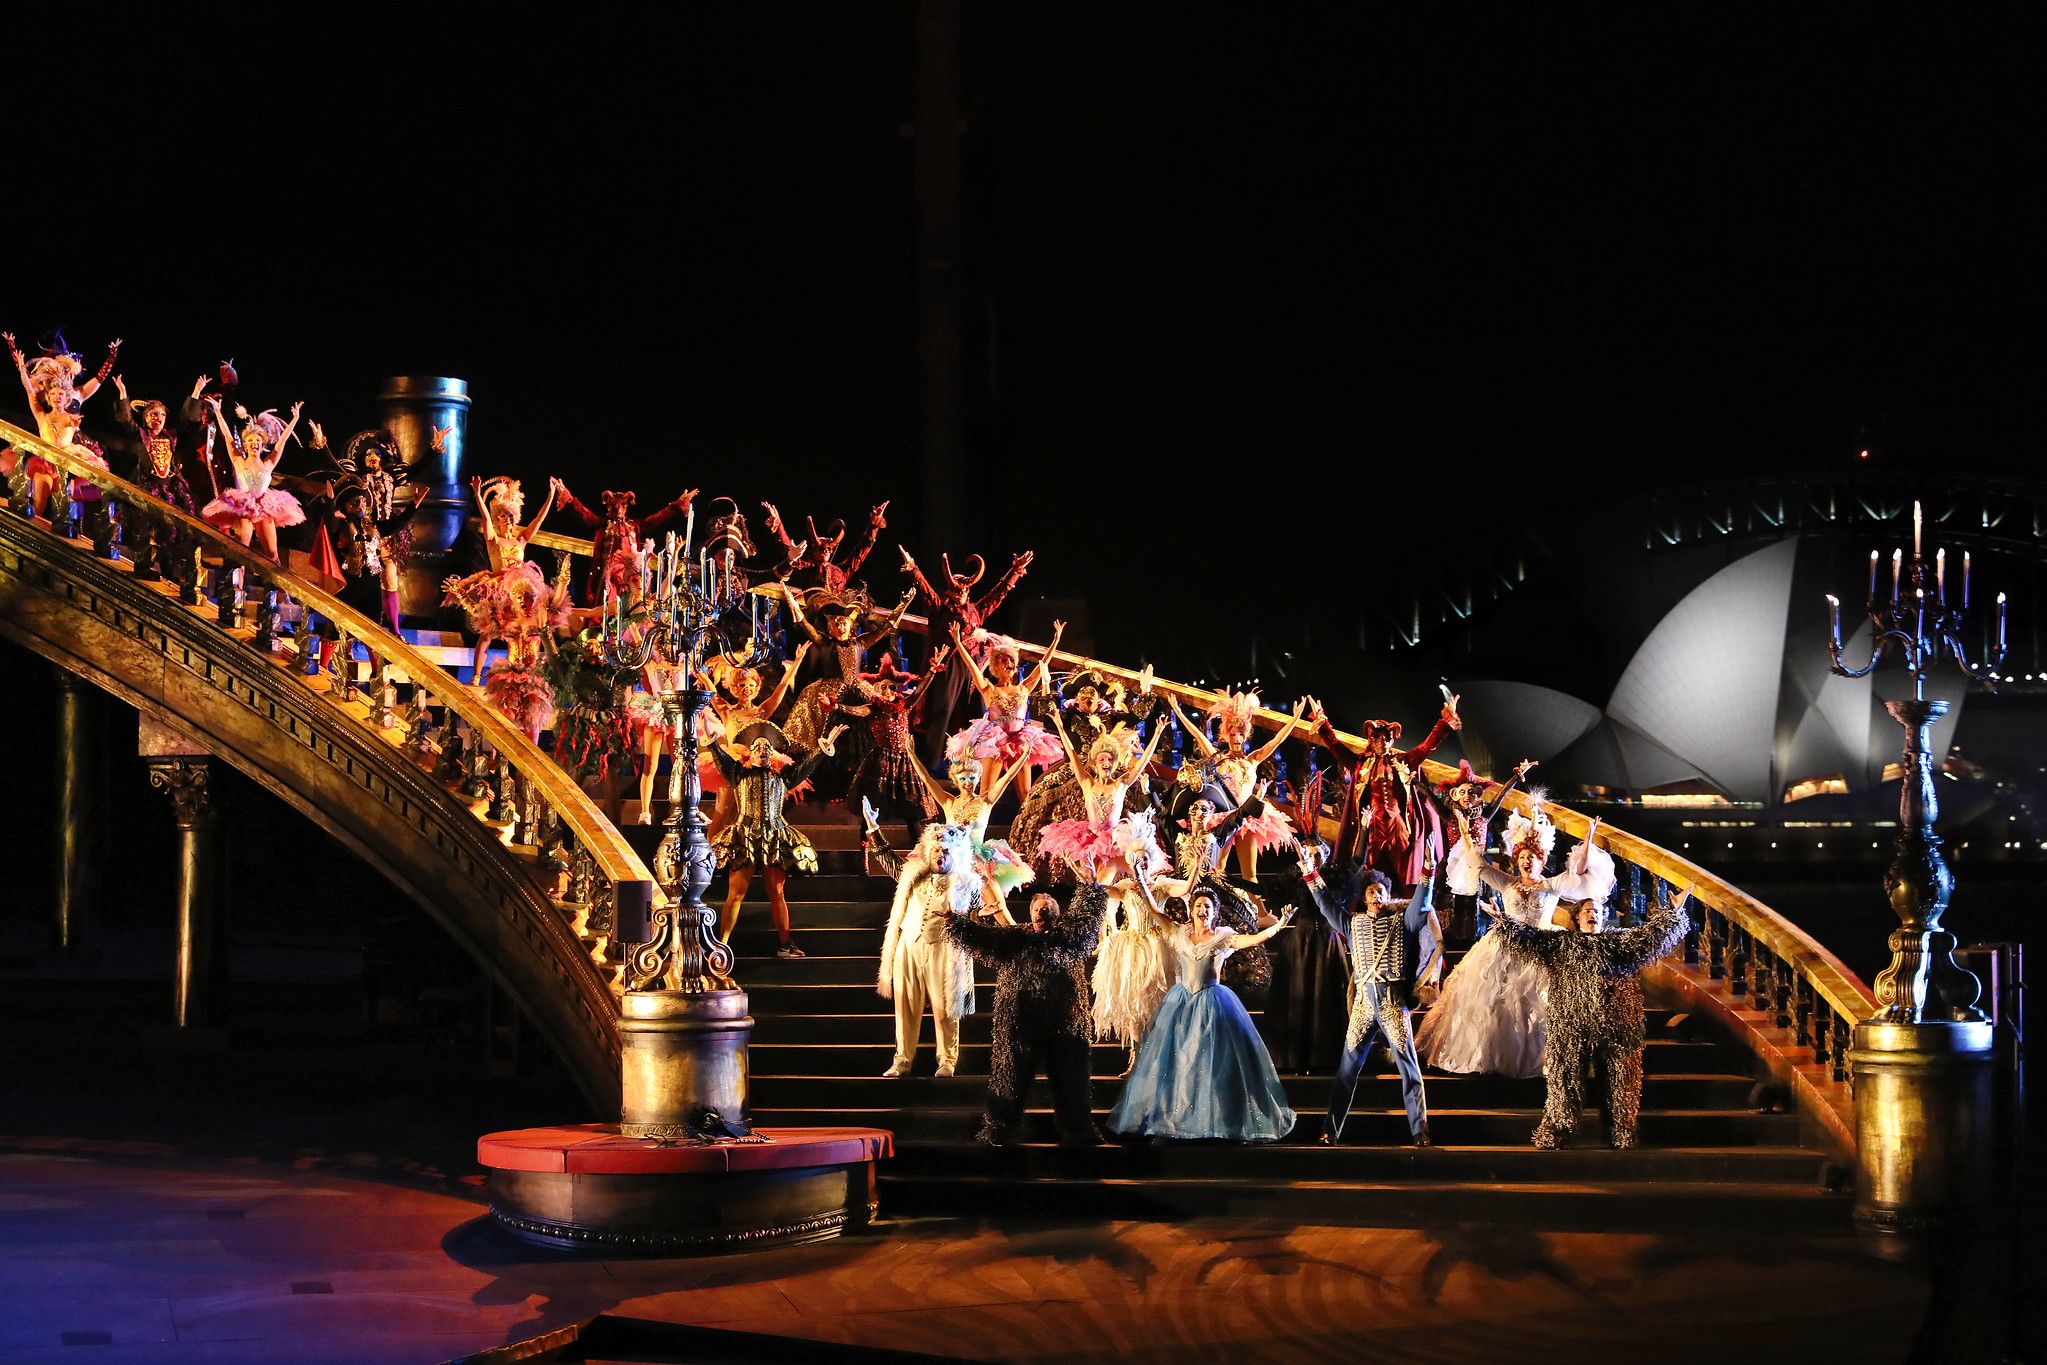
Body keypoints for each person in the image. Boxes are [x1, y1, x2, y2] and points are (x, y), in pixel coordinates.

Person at [1417, 801, 1616, 1078]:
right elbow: (1478, 865)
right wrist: (1465, 836)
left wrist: (1589, 838)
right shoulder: (1507, 883)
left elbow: (1578, 872)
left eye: (1531, 857)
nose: (1526, 861)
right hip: (1505, 947)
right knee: (1496, 1003)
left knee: (1537, 1006)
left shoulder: (1552, 884)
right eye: (1522, 856)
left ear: (1541, 860)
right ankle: (1494, 1057)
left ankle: (1540, 1059)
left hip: (1542, 947)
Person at [1491, 884, 1692, 1149]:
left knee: (1620, 1083)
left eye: (1597, 910)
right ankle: (1559, 1130)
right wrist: (1504, 922)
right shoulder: (1562, 944)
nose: (1592, 914)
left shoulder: (1618, 943)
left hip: (1616, 1028)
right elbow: (1531, 939)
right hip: (1571, 1026)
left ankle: (1621, 1132)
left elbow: (1649, 937)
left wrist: (1673, 911)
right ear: (1577, 917)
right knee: (1565, 1080)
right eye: (1587, 910)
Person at [1106, 883, 1297, 1143]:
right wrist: (1140, 877)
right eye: (1198, 906)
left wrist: (1279, 925)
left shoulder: (1223, 937)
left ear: (1214, 912)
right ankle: (1171, 1122)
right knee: (1178, 1062)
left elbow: (1253, 939)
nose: (1202, 910)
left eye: (1207, 906)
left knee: (1211, 1064)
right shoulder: (1180, 933)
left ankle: (1220, 1121)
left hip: (1212, 1004)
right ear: (1191, 910)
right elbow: (1154, 910)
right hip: (1182, 1003)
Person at [1299, 846, 1443, 1147]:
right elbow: (1326, 905)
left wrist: (1428, 870)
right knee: (1346, 1069)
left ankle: (1420, 1132)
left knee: (1409, 1067)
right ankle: (1330, 1131)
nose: (1376, 896)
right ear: (1364, 897)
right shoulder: (1352, 923)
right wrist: (1310, 873)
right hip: (1364, 1004)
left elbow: (1421, 904)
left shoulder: (1402, 922)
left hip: (1392, 1002)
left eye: (1381, 892)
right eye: (1371, 892)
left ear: (1388, 896)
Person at [944, 887, 1103, 1145]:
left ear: (1057, 914)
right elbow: (983, 938)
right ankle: (999, 1128)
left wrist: (1091, 890)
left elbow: (1087, 923)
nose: (1042, 913)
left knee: (1071, 1080)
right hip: (1020, 1021)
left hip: (1064, 1023)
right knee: (1009, 1078)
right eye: (1037, 909)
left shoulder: (1067, 939)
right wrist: (956, 922)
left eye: (1047, 909)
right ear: (1030, 914)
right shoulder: (1016, 938)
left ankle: (1078, 1128)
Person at [711, 720, 846, 958]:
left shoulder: (784, 777)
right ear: (751, 752)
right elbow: (721, 759)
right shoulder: (739, 773)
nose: (762, 750)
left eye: (766, 747)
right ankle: (721, 946)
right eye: (758, 747)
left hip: (774, 836)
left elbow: (807, 767)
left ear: (772, 753)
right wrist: (713, 743)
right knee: (736, 893)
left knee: (777, 892)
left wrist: (823, 748)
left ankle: (786, 944)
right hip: (745, 836)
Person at [1308, 690, 1460, 891]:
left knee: (1404, 865)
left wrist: (1444, 724)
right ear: (1371, 740)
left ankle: (1408, 903)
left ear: (1393, 739)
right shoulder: (1361, 764)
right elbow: (1336, 748)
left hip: (1398, 823)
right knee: (1369, 866)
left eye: (1387, 737)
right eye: (1377, 738)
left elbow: (1425, 748)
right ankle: (1369, 902)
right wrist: (1322, 724)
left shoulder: (1403, 761)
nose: (1383, 742)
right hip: (1373, 823)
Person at [878, 823, 990, 1078]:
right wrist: (874, 830)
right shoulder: (913, 875)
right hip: (910, 944)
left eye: (946, 851)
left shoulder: (967, 883)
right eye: (936, 850)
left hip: (943, 948)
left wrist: (977, 917)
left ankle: (947, 1060)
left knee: (945, 1007)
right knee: (905, 1005)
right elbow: (889, 860)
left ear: (955, 854)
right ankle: (902, 1060)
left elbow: (977, 916)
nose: (940, 855)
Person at [901, 545, 1034, 750]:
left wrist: (1014, 571)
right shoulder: (941, 609)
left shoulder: (975, 611)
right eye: (958, 589)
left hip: (971, 665)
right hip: (948, 665)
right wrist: (913, 568)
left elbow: (997, 595)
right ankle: (932, 759)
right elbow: (926, 589)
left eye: (965, 589)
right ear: (950, 591)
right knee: (943, 712)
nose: (962, 592)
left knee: (973, 713)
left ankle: (971, 757)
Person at [1164, 690, 1303, 882]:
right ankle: (1213, 896)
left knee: (1250, 873)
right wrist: (1179, 713)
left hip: (1248, 817)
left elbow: (1276, 740)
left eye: (1240, 734)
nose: (1237, 738)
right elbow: (1197, 735)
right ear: (1227, 736)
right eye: (1233, 734)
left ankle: (1256, 903)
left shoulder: (1253, 759)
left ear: (1245, 736)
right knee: (1217, 867)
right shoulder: (1219, 759)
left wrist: (1295, 719)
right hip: (1225, 816)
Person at [946, 623, 1066, 807]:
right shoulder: (989, 689)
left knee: (1026, 793)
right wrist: (958, 642)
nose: (1008, 664)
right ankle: (978, 822)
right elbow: (971, 667)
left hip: (1020, 740)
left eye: (1011, 660)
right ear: (995, 666)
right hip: (995, 741)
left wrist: (1055, 641)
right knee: (987, 792)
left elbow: (1043, 664)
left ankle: (1026, 823)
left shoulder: (1023, 688)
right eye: (1003, 661)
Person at [199, 395, 306, 560]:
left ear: (262, 444)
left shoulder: (268, 463)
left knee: (272, 553)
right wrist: (218, 413)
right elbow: (227, 436)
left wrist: (295, 419)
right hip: (244, 507)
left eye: (258, 440)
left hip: (265, 507)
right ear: (246, 444)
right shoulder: (239, 461)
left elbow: (282, 441)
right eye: (250, 440)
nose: (254, 443)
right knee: (242, 545)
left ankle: (274, 576)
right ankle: (235, 573)